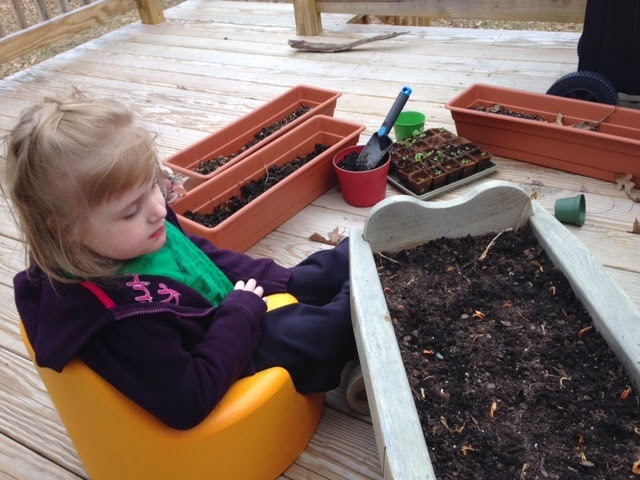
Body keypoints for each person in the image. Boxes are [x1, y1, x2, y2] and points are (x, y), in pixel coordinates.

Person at [5, 92, 357, 430]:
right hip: (216, 358)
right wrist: (240, 316)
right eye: (131, 211)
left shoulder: (129, 234)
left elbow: (197, 259)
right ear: (67, 230)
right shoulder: (118, 320)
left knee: (318, 273)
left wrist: (280, 281)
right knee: (317, 332)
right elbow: (189, 399)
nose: (159, 209)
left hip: (223, 317)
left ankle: (364, 255)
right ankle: (367, 301)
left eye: (154, 186)